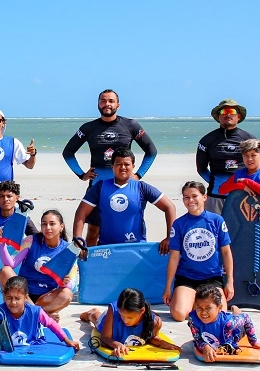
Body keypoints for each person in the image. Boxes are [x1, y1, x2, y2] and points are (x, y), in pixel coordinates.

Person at [62, 89, 158, 246]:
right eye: (103, 101)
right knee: (93, 233)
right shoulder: (88, 128)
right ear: (98, 104)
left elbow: (151, 151)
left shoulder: (131, 125)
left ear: (118, 105)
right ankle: (91, 264)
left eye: (111, 101)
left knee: (129, 230)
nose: (107, 104)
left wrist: (139, 174)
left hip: (126, 188)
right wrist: (81, 174)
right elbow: (68, 153)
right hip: (98, 188)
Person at [72, 148, 175, 253]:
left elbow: (169, 207)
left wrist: (170, 237)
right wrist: (77, 240)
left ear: (133, 166)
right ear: (112, 166)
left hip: (137, 247)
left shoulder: (142, 187)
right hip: (107, 249)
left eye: (127, 164)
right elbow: (81, 212)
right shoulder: (100, 187)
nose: (123, 167)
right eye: (118, 164)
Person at [163, 181, 234, 322]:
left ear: (204, 197)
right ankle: (194, 301)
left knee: (219, 316)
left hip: (212, 278)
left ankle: (198, 303)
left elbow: (226, 252)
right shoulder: (179, 224)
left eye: (194, 196)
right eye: (186, 197)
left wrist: (230, 281)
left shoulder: (217, 221)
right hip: (187, 278)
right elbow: (174, 257)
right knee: (178, 314)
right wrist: (168, 287)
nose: (190, 201)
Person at [0, 210, 76, 321]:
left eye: (52, 224)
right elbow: (11, 263)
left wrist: (66, 282)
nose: (48, 227)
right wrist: (2, 244)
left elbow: (71, 283)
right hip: (23, 293)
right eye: (44, 224)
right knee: (5, 270)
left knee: (66, 294)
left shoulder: (69, 250)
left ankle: (30, 313)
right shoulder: (30, 240)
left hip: (46, 297)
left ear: (61, 227)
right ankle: (41, 315)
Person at [80, 287, 181, 358]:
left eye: (130, 317)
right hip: (113, 321)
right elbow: (105, 337)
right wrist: (115, 344)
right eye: (122, 316)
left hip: (124, 318)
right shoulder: (114, 311)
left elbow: (151, 338)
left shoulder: (155, 322)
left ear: (142, 311)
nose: (125, 320)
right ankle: (91, 313)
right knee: (98, 321)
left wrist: (162, 343)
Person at [196, 98, 257, 214]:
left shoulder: (250, 140)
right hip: (215, 197)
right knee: (215, 231)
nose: (228, 114)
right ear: (218, 117)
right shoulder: (206, 140)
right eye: (223, 112)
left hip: (243, 196)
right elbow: (201, 169)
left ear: (238, 116)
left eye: (232, 111)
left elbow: (256, 169)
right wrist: (216, 182)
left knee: (241, 232)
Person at [0, 276, 79, 351]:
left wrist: (66, 340)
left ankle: (44, 319)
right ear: (4, 297)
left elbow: (51, 324)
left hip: (34, 339)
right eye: (9, 298)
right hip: (13, 341)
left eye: (17, 298)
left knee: (45, 320)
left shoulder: (35, 312)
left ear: (26, 298)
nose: (13, 302)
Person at [188, 284, 260, 362]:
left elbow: (246, 317)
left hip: (235, 332)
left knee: (238, 317)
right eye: (199, 308)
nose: (203, 313)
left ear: (219, 308)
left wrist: (253, 342)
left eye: (208, 308)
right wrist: (205, 346)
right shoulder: (193, 319)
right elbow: (197, 338)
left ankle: (236, 311)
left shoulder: (229, 323)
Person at [0, 180, 38, 247]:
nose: (5, 199)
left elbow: (38, 237)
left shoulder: (22, 216)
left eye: (9, 196)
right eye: (1, 196)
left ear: (17, 198)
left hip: (15, 253)